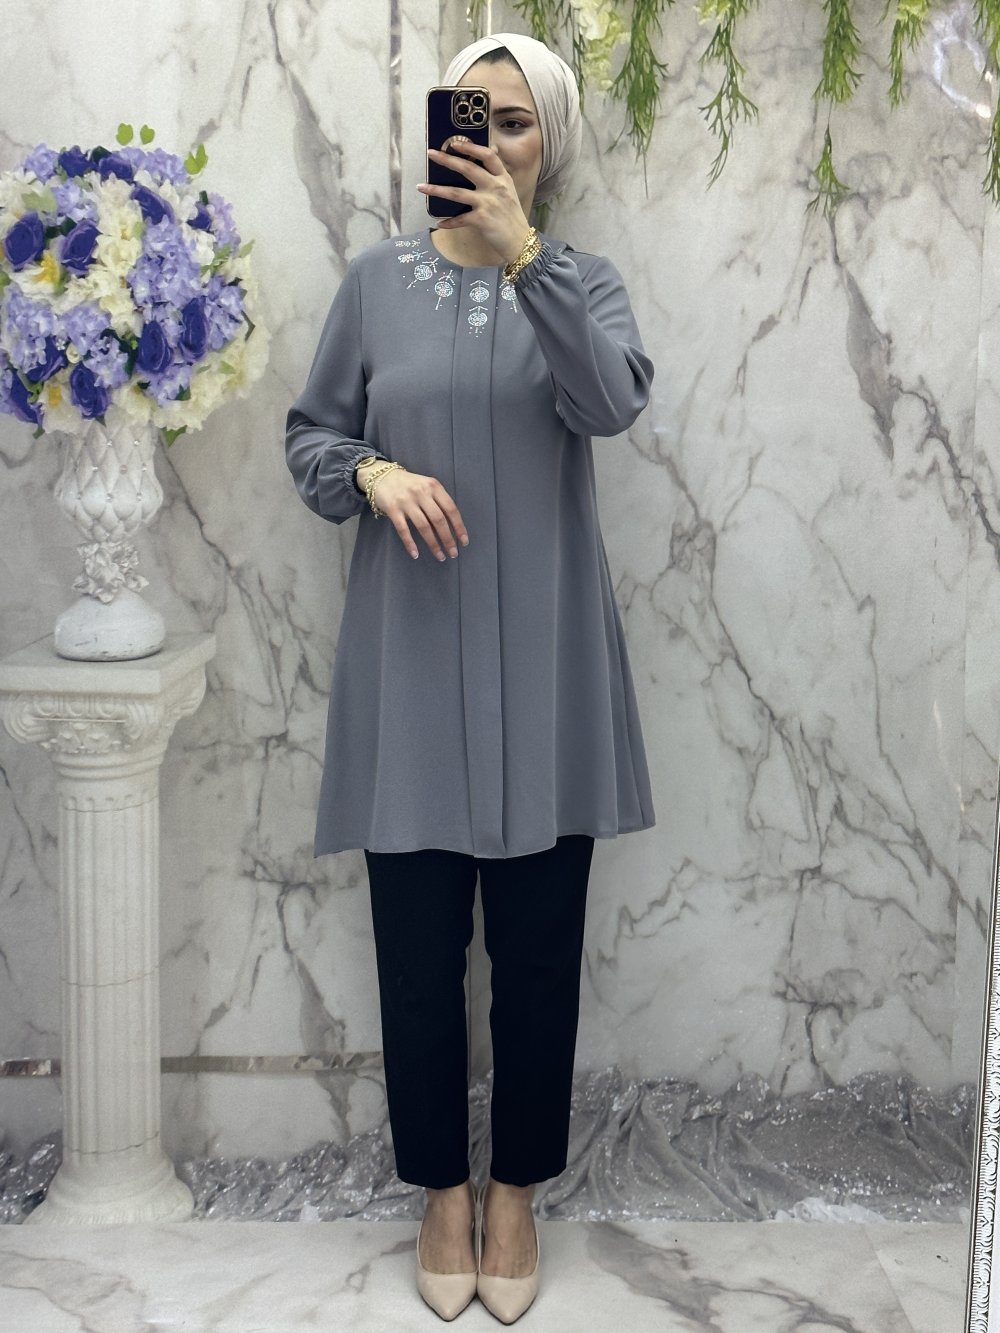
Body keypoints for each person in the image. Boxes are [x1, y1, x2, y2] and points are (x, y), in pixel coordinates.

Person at [285, 31, 655, 1324]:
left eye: (518, 121)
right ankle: (442, 1193)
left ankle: (518, 1193)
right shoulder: (375, 283)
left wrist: (526, 259)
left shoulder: (585, 283)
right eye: (472, 115)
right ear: (437, 130)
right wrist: (372, 472)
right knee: (417, 950)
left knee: (541, 953)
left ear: (551, 147)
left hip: (546, 671)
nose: (491, 139)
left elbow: (611, 404)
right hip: (414, 665)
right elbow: (312, 435)